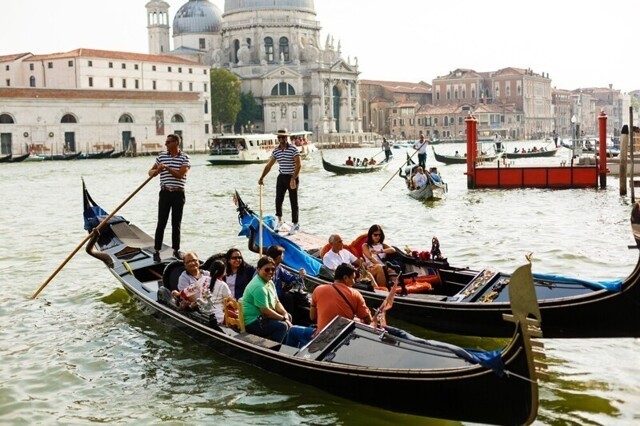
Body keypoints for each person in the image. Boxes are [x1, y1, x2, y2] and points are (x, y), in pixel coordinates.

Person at [148, 134, 191, 262]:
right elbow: (150, 172)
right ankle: (156, 250)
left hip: (178, 194)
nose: (166, 144)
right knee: (161, 222)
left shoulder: (185, 157)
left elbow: (180, 174)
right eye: (166, 142)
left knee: (176, 223)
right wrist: (157, 171)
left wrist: (166, 167)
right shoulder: (161, 156)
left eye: (168, 142)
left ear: (176, 143)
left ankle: (176, 250)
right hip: (165, 193)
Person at [258, 129, 302, 235]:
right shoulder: (276, 151)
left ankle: (295, 223)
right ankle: (279, 221)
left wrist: (293, 178)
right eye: (279, 137)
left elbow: (299, 164)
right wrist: (262, 177)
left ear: (286, 138)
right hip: (281, 177)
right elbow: (269, 165)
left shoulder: (293, 149)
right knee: (278, 199)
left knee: (293, 201)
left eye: (282, 137)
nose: (281, 139)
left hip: (292, 177)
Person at [310, 263, 372, 336]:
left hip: (321, 338)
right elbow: (368, 320)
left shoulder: (318, 289)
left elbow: (312, 317)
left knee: (294, 330)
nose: (354, 282)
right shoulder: (355, 294)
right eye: (353, 278)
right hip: (342, 339)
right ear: (345, 278)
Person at [242, 256, 292, 343]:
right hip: (253, 320)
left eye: (273, 269)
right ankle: (273, 348)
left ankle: (285, 343)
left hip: (263, 317)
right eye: (267, 270)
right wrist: (283, 319)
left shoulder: (270, 282)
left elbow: (276, 302)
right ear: (258, 269)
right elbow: (265, 310)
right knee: (282, 326)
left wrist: (284, 314)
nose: (270, 272)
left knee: (289, 316)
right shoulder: (259, 287)